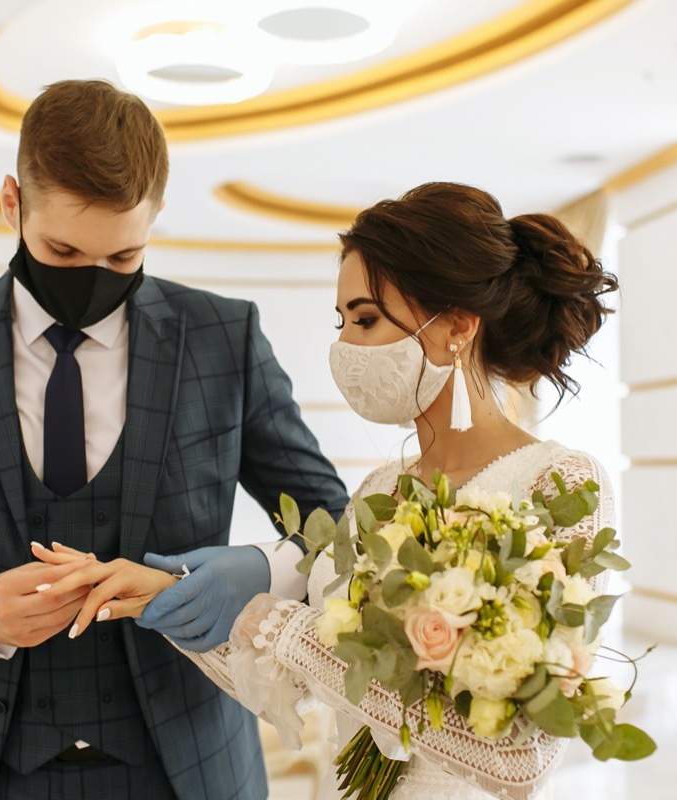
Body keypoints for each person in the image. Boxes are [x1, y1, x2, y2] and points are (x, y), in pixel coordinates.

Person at [0, 79, 348, 800]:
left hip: (190, 764)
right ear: (12, 203)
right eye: (63, 251)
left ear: (155, 218)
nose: (93, 279)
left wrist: (256, 572)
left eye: (123, 258)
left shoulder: (222, 338)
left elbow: (334, 525)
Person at [37, 181, 620, 799]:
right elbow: (308, 682)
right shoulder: (380, 491)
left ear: (457, 325)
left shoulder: (560, 484)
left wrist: (273, 623)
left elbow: (518, 760)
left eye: (366, 319)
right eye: (341, 321)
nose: (345, 346)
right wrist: (166, 601)